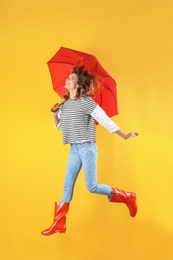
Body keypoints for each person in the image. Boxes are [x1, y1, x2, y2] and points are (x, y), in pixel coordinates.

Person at [41, 66, 139, 236]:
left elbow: (104, 120)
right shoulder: (65, 104)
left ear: (79, 85)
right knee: (67, 185)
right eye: (68, 78)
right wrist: (55, 115)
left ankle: (126, 196)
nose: (67, 80)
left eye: (71, 78)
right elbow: (61, 127)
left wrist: (124, 135)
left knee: (92, 186)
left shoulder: (87, 102)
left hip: (87, 148)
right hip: (74, 149)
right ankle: (59, 223)